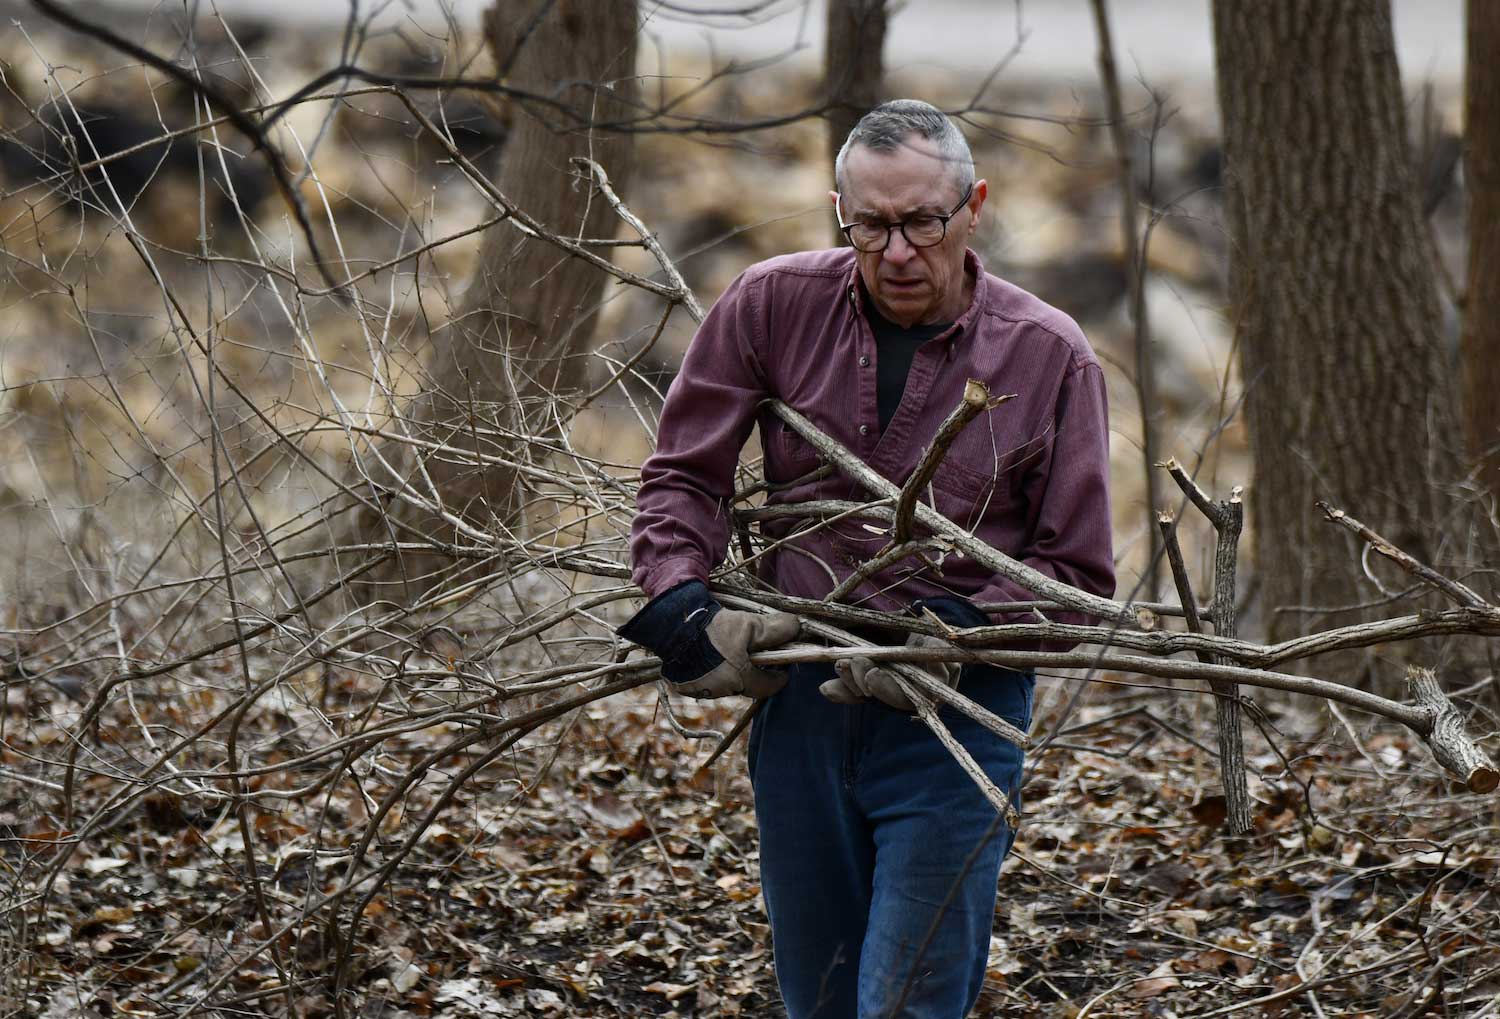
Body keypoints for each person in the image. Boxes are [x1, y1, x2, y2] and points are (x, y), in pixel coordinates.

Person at [617, 100, 1114, 1019]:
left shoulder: (1050, 357)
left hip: (956, 716)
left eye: (923, 221)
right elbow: (683, 478)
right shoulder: (771, 305)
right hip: (797, 703)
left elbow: (1075, 580)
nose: (896, 252)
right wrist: (687, 612)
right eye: (870, 225)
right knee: (825, 994)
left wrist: (952, 637)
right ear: (839, 212)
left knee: (907, 1003)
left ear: (975, 208)